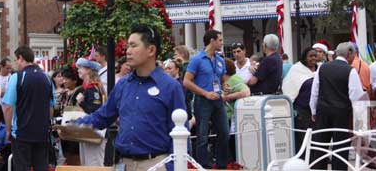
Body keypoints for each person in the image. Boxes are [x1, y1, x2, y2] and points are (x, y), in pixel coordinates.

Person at [76, 24, 186, 171]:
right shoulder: (123, 85)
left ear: (151, 50)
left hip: (156, 164)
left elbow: (180, 132)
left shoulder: (171, 87)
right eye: (128, 46)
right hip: (123, 164)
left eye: (133, 46)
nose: (127, 51)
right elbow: (103, 116)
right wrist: (72, 123)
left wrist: (173, 167)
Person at [310, 42, 365, 170]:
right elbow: (356, 97)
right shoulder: (350, 71)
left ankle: (319, 168)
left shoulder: (322, 68)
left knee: (320, 144)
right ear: (349, 54)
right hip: (342, 112)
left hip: (323, 110)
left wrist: (313, 110)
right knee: (340, 146)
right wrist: (359, 116)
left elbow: (315, 91)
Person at [183, 29, 229, 169]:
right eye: (220, 40)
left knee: (224, 133)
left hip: (218, 100)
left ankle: (221, 165)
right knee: (202, 136)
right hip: (203, 101)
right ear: (212, 41)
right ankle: (203, 165)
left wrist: (225, 87)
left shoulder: (220, 60)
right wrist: (205, 93)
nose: (222, 43)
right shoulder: (197, 59)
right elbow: (186, 81)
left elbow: (222, 79)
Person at [3, 45, 52, 171]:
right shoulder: (46, 77)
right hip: (42, 133)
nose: (15, 63)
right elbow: (51, 106)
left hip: (22, 133)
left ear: (21, 58)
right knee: (41, 167)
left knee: (22, 167)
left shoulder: (17, 77)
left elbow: (8, 107)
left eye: (16, 60)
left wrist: (8, 130)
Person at [282, 47, 317, 153]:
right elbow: (288, 86)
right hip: (302, 111)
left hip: (316, 110)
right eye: (310, 56)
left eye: (315, 56)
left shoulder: (320, 69)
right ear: (304, 57)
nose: (313, 58)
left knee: (315, 138)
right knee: (303, 139)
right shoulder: (296, 69)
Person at [74, 57, 107, 166]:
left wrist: (81, 102)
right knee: (86, 164)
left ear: (89, 70)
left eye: (81, 68)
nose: (78, 70)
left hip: (94, 131)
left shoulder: (93, 88)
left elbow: (95, 111)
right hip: (88, 131)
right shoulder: (88, 87)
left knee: (93, 164)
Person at [222, 58, 249, 163]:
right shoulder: (225, 81)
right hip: (227, 118)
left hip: (232, 119)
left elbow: (246, 92)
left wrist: (227, 97)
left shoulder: (233, 79)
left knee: (233, 149)